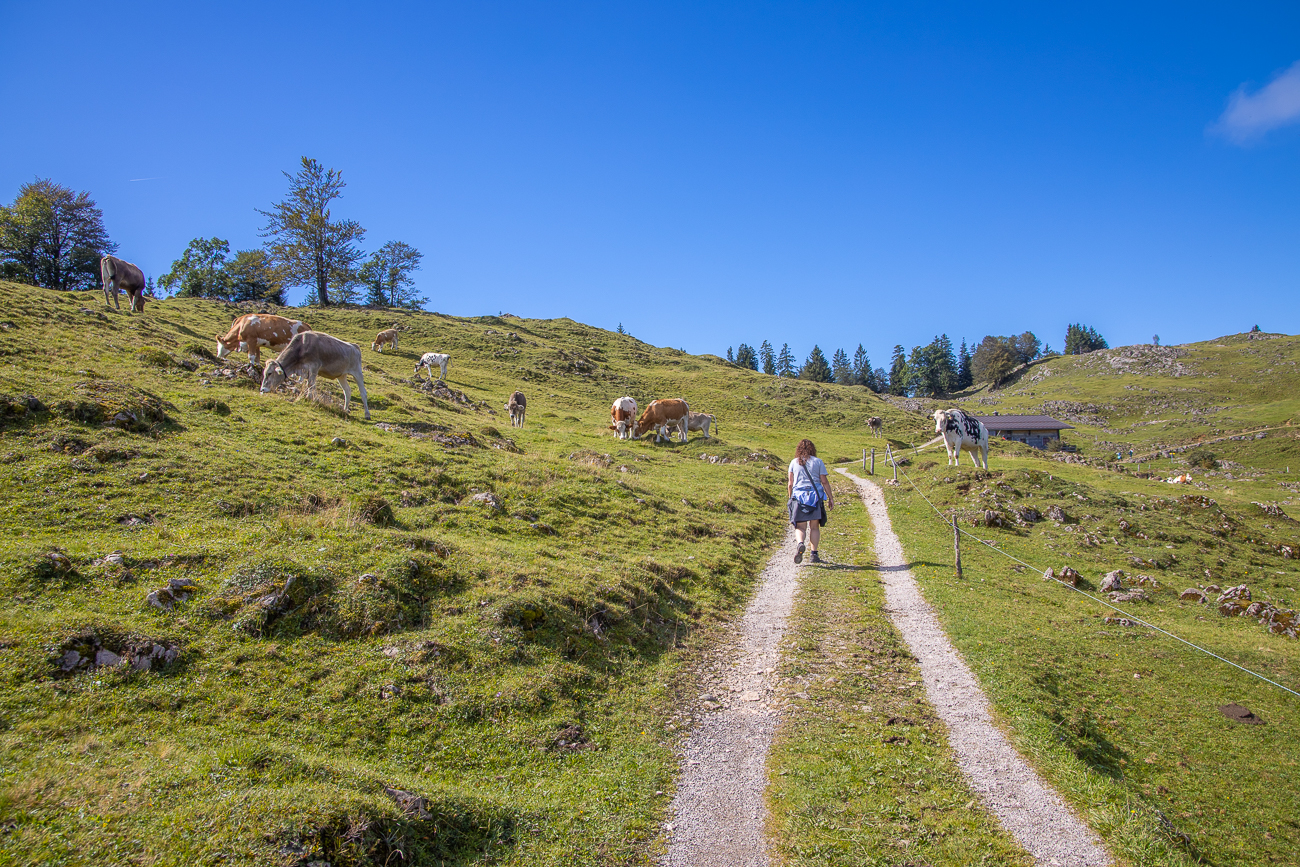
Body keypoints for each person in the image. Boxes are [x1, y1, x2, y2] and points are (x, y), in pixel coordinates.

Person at [787, 438, 834, 563]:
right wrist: (830, 498)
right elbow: (824, 481)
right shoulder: (818, 462)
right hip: (815, 497)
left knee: (800, 527)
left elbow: (790, 484)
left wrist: (791, 498)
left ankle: (800, 543)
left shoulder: (793, 462)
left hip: (799, 497)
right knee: (814, 527)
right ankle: (814, 554)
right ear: (813, 449)